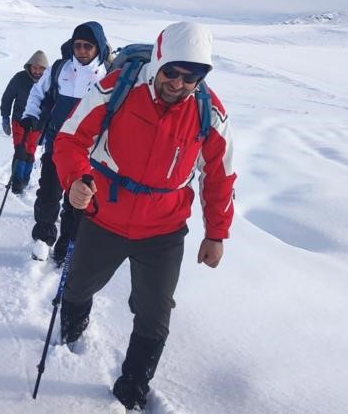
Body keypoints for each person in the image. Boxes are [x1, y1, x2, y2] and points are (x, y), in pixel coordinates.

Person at [53, 21, 237, 410]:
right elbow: (70, 138)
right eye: (172, 71)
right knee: (79, 287)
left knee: (155, 314)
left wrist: (216, 234)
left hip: (163, 229)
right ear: (158, 60)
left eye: (194, 75)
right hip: (105, 215)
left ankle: (133, 385)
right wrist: (75, 179)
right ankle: (72, 328)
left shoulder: (210, 112)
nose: (180, 82)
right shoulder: (116, 89)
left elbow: (219, 176)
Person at [21, 22, 110, 263]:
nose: (81, 50)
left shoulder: (109, 76)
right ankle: (43, 237)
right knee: (48, 192)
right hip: (56, 143)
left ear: (98, 48)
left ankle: (67, 245)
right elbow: (37, 93)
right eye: (77, 45)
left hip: (88, 151)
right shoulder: (60, 69)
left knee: (78, 201)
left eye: (87, 46)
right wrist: (30, 115)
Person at [0, 50, 49, 193]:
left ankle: (25, 179)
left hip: (38, 124)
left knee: (30, 152)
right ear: (29, 67)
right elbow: (8, 97)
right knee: (20, 150)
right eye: (34, 67)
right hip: (19, 121)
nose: (37, 71)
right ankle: (17, 181)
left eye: (40, 68)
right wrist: (5, 117)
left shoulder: (49, 81)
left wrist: (47, 128)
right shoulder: (20, 78)